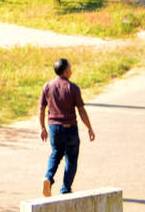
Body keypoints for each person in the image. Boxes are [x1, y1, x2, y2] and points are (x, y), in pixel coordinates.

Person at [39, 57, 96, 196]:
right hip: (70, 128)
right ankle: (65, 190)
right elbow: (81, 111)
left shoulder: (47, 86)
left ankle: (48, 178)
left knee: (55, 154)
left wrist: (43, 128)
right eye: (70, 68)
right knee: (71, 159)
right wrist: (90, 128)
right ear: (66, 71)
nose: (71, 70)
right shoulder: (73, 88)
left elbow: (41, 109)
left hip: (53, 128)